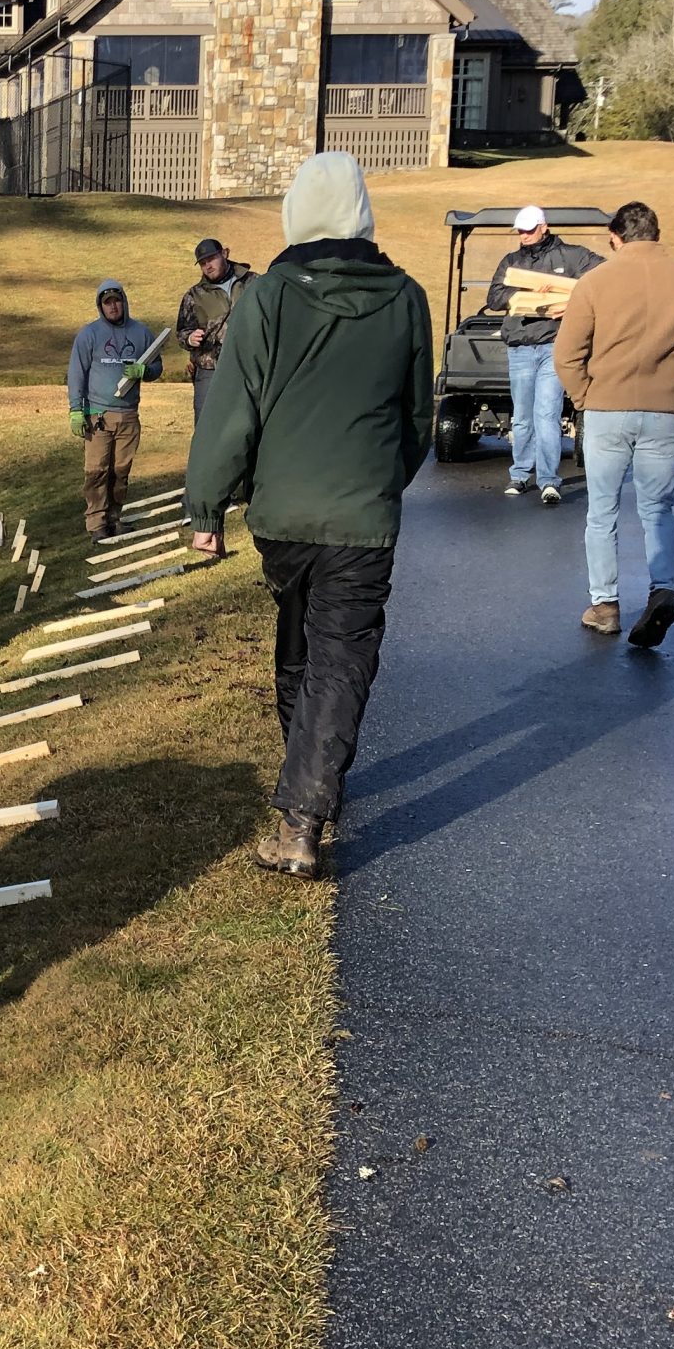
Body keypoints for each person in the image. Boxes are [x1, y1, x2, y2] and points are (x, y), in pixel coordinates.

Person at [185, 152, 432, 878]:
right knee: (339, 657)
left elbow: (232, 409)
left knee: (307, 648)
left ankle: (302, 814)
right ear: (362, 214)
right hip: (362, 517)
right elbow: (417, 416)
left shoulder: (266, 297)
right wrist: (384, 481)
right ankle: (310, 791)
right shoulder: (407, 298)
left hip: (284, 514)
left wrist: (207, 505)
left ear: (296, 213)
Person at [552, 200, 674, 647]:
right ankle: (663, 588)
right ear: (656, 234)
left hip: (606, 408)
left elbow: (567, 355)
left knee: (602, 512)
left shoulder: (594, 282)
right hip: (664, 410)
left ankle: (605, 605)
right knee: (658, 509)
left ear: (615, 238)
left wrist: (584, 396)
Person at [484, 202, 599, 504]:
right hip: (520, 345)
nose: (524, 235)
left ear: (544, 227)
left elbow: (602, 276)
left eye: (529, 230)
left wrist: (569, 296)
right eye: (520, 231)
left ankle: (549, 480)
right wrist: (527, 294)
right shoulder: (511, 261)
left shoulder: (573, 256)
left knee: (546, 413)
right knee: (523, 415)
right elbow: (494, 297)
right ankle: (520, 474)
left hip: (554, 344)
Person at [68, 279, 164, 535]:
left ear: (124, 302)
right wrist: (76, 410)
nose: (113, 307)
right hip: (98, 415)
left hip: (128, 415)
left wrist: (145, 371)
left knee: (121, 471)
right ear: (100, 306)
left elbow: (157, 366)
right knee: (96, 471)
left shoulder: (141, 333)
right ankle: (96, 524)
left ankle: (114, 518)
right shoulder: (89, 334)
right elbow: (76, 373)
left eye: (117, 301)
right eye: (107, 303)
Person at [176, 239, 252, 425]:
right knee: (206, 426)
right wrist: (190, 338)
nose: (207, 266)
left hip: (248, 369)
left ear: (225, 253)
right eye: (203, 263)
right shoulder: (193, 295)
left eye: (211, 259)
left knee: (247, 424)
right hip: (209, 371)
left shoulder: (253, 283)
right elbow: (182, 332)